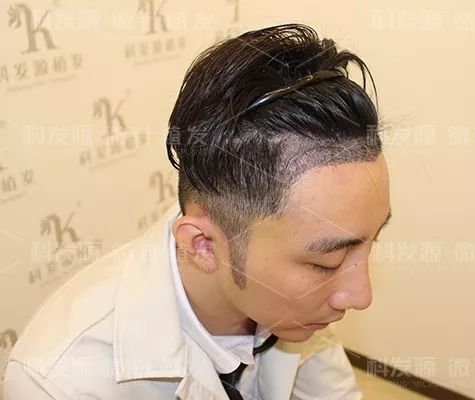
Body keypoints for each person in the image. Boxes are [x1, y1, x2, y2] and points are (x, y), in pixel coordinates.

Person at [3, 23, 391, 399]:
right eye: (326, 263)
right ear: (203, 245)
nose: (360, 296)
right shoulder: (59, 384)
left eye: (369, 244)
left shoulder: (294, 299)